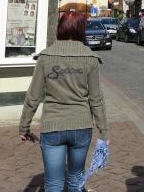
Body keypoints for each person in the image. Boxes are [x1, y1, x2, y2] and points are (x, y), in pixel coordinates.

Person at [19, 11, 108, 192]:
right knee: (75, 180)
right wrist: (103, 132)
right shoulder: (90, 58)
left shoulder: (45, 57)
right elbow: (96, 99)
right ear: (81, 30)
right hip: (81, 127)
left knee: (53, 184)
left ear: (60, 28)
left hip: (53, 126)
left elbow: (33, 96)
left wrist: (24, 126)